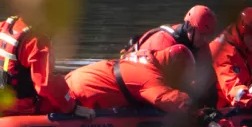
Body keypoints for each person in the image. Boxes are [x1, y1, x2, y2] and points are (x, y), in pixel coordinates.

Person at [0, 15, 94, 117]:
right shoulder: (37, 42)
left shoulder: (3, 27)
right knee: (69, 95)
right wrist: (72, 107)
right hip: (23, 108)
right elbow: (43, 85)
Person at [66, 44, 196, 113]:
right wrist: (199, 111)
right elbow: (166, 98)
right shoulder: (149, 78)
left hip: (72, 80)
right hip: (81, 93)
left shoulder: (146, 56)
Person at [126, 5, 219, 59]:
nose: (205, 39)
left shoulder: (199, 44)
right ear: (190, 28)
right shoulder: (164, 44)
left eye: (208, 35)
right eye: (202, 34)